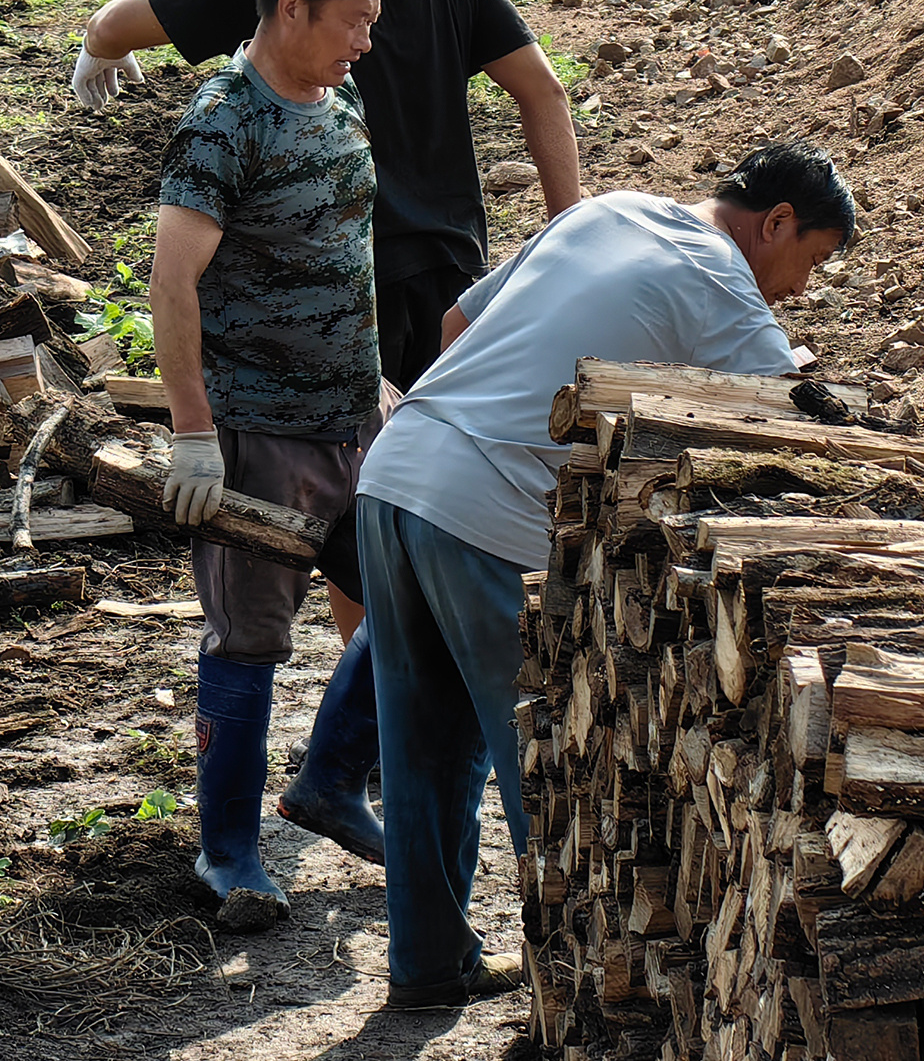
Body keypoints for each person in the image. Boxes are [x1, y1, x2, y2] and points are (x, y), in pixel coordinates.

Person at [348, 144, 859, 1008]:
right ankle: (572, 994)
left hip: (394, 472)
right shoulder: (720, 282)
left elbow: (455, 329)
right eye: (807, 261)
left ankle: (428, 970)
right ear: (774, 223)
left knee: (420, 743)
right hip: (485, 510)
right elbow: (801, 433)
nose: (799, 289)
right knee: (533, 760)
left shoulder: (607, 208)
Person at [75, 0, 583, 389]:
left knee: (349, 460)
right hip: (456, 269)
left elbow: (117, 24)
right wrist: (565, 234)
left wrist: (96, 45)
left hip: (340, 282)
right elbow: (544, 90)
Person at [149, 0, 391, 931]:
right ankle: (229, 853)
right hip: (256, 431)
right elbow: (171, 284)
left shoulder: (340, 98)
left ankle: (330, 778)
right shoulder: (221, 121)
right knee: (249, 640)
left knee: (407, 601)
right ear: (290, 7)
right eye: (351, 21)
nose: (364, 41)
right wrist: (194, 429)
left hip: (351, 420)